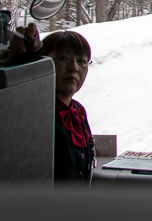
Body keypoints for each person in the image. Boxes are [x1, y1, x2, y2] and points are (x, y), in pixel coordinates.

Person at [12, 27, 95, 183]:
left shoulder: (78, 110)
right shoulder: (34, 113)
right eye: (64, 58)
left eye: (82, 61)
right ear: (43, 62)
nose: (74, 67)